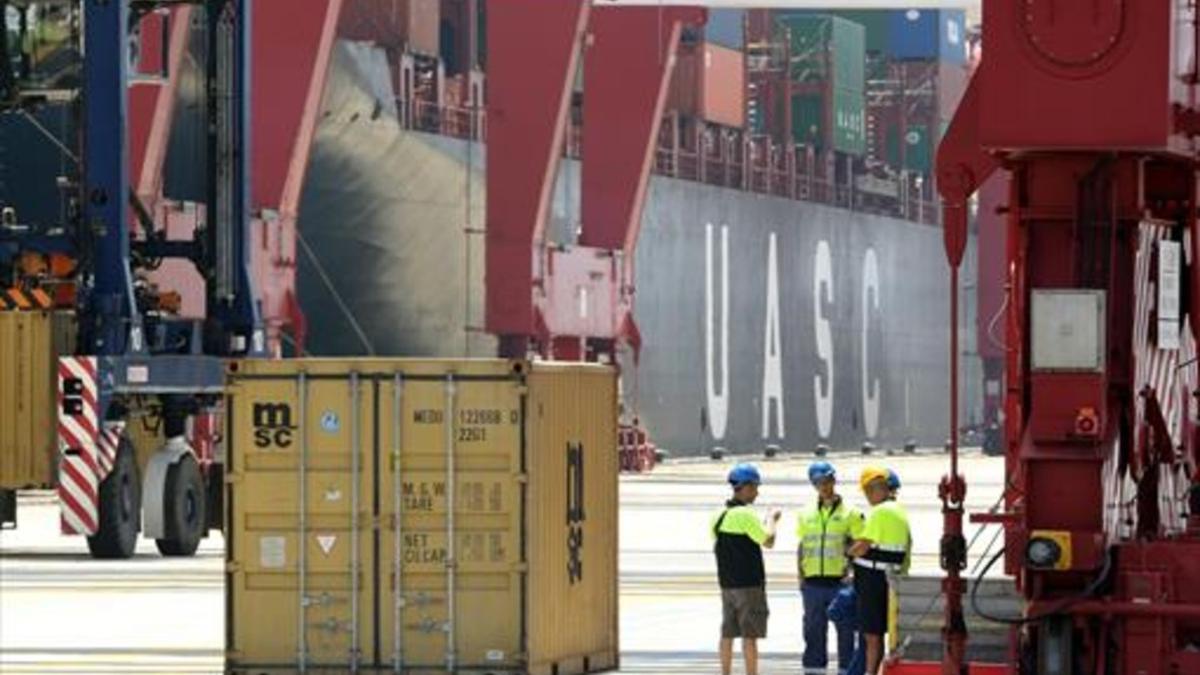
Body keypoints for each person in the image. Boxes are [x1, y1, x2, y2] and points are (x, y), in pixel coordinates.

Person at [713, 462, 781, 675]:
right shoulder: (746, 515)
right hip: (749, 585)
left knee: (727, 633)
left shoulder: (719, 515)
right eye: (755, 487)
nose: (757, 493)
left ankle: (726, 672)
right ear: (746, 487)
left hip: (727, 585)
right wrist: (772, 519)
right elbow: (767, 540)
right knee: (749, 636)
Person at [797, 461, 864, 675]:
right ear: (813, 485)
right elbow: (802, 545)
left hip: (840, 583)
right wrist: (800, 576)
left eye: (827, 481)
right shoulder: (806, 513)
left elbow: (862, 544)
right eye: (819, 482)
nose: (824, 486)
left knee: (846, 632)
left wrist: (853, 575)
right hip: (812, 584)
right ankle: (814, 671)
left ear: (834, 480)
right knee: (813, 632)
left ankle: (846, 670)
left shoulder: (851, 513)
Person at [849, 467, 912, 675]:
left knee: (871, 634)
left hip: (872, 580)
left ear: (876, 489)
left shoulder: (880, 512)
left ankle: (869, 672)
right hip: (890, 578)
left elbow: (863, 546)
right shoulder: (899, 511)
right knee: (886, 632)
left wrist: (848, 553)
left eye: (868, 492)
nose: (868, 497)